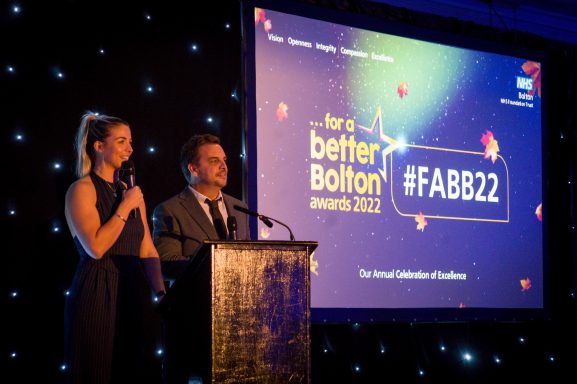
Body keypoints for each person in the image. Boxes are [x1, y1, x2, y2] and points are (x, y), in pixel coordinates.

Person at [63, 112, 165, 384]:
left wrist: (161, 294)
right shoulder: (82, 189)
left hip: (130, 289)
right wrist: (124, 207)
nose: (130, 149)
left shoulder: (130, 193)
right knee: (95, 371)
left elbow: (147, 249)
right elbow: (95, 248)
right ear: (99, 147)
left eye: (130, 141)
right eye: (121, 142)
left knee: (129, 369)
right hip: (96, 288)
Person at [152, 133, 250, 384]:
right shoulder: (171, 209)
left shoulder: (239, 208)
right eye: (215, 160)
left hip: (237, 323)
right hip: (192, 322)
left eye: (225, 160)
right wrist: (214, 263)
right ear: (192, 168)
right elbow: (165, 263)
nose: (224, 166)